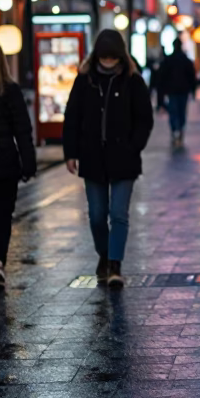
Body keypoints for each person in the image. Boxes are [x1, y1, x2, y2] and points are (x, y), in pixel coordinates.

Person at [63, 29, 154, 288]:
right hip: (92, 157)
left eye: (112, 59)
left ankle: (115, 264)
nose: (108, 64)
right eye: (104, 59)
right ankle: (104, 254)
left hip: (123, 158)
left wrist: (133, 146)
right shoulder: (85, 80)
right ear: (97, 57)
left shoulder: (132, 80)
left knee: (118, 214)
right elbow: (72, 117)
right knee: (96, 214)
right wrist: (71, 153)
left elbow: (144, 118)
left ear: (120, 57)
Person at [0, 43, 36, 288]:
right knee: (2, 215)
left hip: (5, 165)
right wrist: (28, 163)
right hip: (5, 164)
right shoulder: (10, 91)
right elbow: (23, 130)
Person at [158, 38, 197, 146]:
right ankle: (179, 129)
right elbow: (192, 77)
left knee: (173, 110)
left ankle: (175, 129)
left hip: (172, 90)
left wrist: (161, 93)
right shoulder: (186, 60)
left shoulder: (168, 60)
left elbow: (162, 77)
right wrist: (193, 91)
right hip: (183, 90)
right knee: (181, 111)